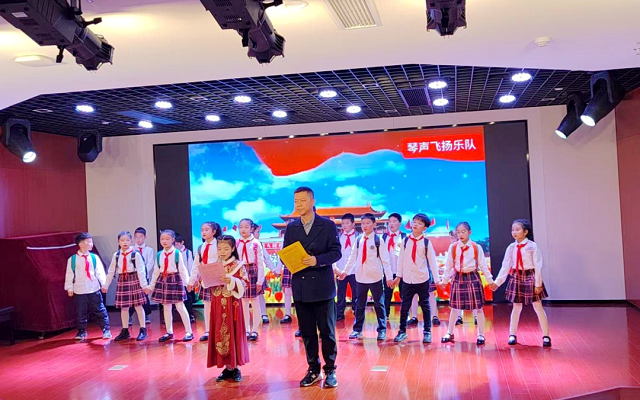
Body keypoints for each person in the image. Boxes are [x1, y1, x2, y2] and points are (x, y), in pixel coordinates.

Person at [283, 187, 341, 388]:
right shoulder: (291, 228)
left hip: (323, 287)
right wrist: (290, 260)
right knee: (307, 333)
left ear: (313, 201)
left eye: (302, 201)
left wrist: (317, 260)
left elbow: (336, 253)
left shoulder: (327, 225)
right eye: (295, 201)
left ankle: (330, 369)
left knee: (327, 332)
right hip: (301, 287)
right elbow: (285, 253)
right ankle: (313, 369)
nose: (298, 205)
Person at [491, 219, 551, 347]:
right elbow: (505, 266)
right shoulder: (511, 247)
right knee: (516, 307)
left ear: (525, 232)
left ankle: (546, 336)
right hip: (516, 276)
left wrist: (538, 284)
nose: (514, 232)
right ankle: (512, 334)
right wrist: (497, 282)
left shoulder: (532, 246)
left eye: (517, 229)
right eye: (513, 230)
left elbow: (538, 265)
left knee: (538, 306)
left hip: (530, 276)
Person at [339, 213, 394, 341]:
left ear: (374, 224)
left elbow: (385, 260)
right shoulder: (358, 240)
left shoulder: (378, 240)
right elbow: (352, 258)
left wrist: (389, 277)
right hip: (361, 277)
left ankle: (382, 330)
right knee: (359, 304)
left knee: (379, 304)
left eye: (368, 223)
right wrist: (345, 272)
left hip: (375, 277)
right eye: (363, 223)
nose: (365, 226)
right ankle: (357, 330)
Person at [440, 222, 492, 345]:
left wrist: (490, 281)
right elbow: (448, 265)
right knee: (454, 308)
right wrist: (445, 280)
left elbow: (483, 266)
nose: (460, 234)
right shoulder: (453, 247)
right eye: (458, 232)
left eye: (463, 232)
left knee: (478, 308)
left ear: (470, 232)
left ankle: (481, 334)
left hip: (472, 277)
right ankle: (450, 332)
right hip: (458, 277)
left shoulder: (476, 247)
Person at [207, 235, 250, 383]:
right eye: (219, 249)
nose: (222, 252)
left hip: (232, 305)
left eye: (226, 249)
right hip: (217, 304)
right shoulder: (214, 265)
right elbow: (206, 283)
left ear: (232, 249)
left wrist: (232, 280)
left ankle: (235, 367)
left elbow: (245, 283)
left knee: (233, 332)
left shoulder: (238, 265)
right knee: (219, 333)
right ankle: (226, 367)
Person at [393, 213, 439, 344]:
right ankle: (402, 331)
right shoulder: (405, 241)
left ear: (424, 228)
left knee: (425, 306)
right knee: (404, 306)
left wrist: (437, 280)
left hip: (422, 278)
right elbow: (401, 260)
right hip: (407, 279)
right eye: (414, 222)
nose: (415, 225)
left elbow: (433, 262)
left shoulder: (426, 243)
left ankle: (427, 332)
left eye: (419, 223)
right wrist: (398, 276)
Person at [147, 229, 193, 342]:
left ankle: (189, 331)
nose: (164, 241)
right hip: (163, 280)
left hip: (175, 280)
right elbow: (156, 272)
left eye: (167, 239)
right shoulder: (159, 254)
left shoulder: (177, 253)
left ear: (173, 240)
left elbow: (182, 269)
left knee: (180, 306)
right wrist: (151, 286)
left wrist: (187, 283)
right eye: (162, 239)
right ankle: (169, 332)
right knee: (166, 308)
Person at [64, 232, 111, 340]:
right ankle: (81, 331)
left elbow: (100, 272)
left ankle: (106, 329)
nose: (91, 244)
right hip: (79, 289)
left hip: (93, 288)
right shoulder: (73, 259)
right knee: (80, 312)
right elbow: (69, 274)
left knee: (99, 310)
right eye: (88, 242)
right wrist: (69, 288)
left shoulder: (94, 258)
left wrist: (104, 284)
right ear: (80, 244)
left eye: (91, 242)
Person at [104, 231, 148, 342]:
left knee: (138, 306)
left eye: (127, 240)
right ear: (118, 242)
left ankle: (143, 329)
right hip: (122, 280)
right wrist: (106, 285)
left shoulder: (135, 254)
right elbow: (111, 271)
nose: (125, 242)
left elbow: (141, 271)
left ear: (131, 241)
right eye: (122, 240)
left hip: (134, 279)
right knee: (124, 307)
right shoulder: (116, 255)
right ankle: (125, 330)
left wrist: (144, 285)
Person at [382, 213, 420, 324]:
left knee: (404, 295)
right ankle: (385, 315)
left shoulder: (405, 237)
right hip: (388, 271)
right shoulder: (383, 237)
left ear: (399, 223)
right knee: (387, 294)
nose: (391, 224)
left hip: (402, 272)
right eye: (389, 222)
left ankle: (405, 316)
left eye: (394, 221)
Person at [188, 221, 222, 341]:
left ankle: (220, 329)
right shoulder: (200, 247)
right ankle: (208, 330)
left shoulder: (219, 245)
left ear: (214, 232)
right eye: (202, 230)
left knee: (219, 305)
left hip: (218, 279)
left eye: (207, 230)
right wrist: (192, 281)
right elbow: (196, 265)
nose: (203, 232)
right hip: (206, 279)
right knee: (207, 305)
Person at [237, 218, 266, 341]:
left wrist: (260, 281)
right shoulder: (237, 243)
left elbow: (260, 263)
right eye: (241, 227)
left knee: (254, 302)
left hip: (253, 272)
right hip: (241, 272)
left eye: (246, 227)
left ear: (252, 229)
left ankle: (255, 330)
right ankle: (246, 329)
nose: (243, 229)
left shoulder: (256, 243)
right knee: (243, 302)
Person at [334, 213, 359, 322]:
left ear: (353, 224)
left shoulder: (358, 236)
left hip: (354, 270)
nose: (344, 225)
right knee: (340, 293)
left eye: (347, 223)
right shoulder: (338, 237)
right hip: (341, 270)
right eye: (343, 223)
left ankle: (357, 312)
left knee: (356, 293)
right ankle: (339, 313)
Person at [131, 227, 154, 325]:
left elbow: (150, 262)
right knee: (132, 296)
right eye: (136, 237)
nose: (138, 239)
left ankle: (147, 314)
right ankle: (129, 316)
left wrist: (143, 272)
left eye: (140, 237)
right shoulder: (131, 249)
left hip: (144, 276)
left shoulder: (149, 250)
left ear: (145, 237)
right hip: (133, 276)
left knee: (144, 296)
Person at [252, 223, 272, 325]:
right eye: (257, 232)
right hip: (245, 273)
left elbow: (266, 258)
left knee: (260, 295)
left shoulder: (259, 244)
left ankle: (263, 314)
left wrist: (274, 269)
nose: (259, 234)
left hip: (257, 272)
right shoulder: (240, 243)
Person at [175, 233, 196, 323]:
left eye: (177, 244)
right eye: (174, 244)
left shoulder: (187, 252)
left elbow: (190, 266)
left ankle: (190, 315)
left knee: (187, 298)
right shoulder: (173, 252)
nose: (176, 246)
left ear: (182, 242)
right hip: (175, 279)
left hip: (184, 278)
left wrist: (190, 279)